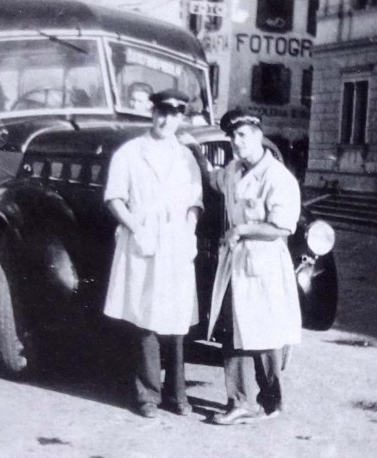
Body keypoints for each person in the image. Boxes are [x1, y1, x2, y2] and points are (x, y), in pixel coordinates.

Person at [195, 109, 302, 425]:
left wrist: (242, 230)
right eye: (232, 136)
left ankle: (270, 400)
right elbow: (212, 179)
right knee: (233, 330)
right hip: (236, 264)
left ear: (258, 136)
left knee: (264, 333)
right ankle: (241, 401)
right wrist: (191, 149)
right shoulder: (234, 170)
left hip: (264, 263)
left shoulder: (278, 177)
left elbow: (283, 227)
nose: (236, 142)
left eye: (242, 135)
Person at [103, 89, 203, 418]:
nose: (166, 119)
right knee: (145, 318)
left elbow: (194, 202)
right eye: (162, 112)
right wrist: (136, 227)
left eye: (174, 114)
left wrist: (189, 231)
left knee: (175, 320)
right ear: (153, 113)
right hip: (142, 237)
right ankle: (147, 394)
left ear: (181, 118)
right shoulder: (131, 152)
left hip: (176, 241)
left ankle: (177, 394)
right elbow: (114, 198)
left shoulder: (187, 157)